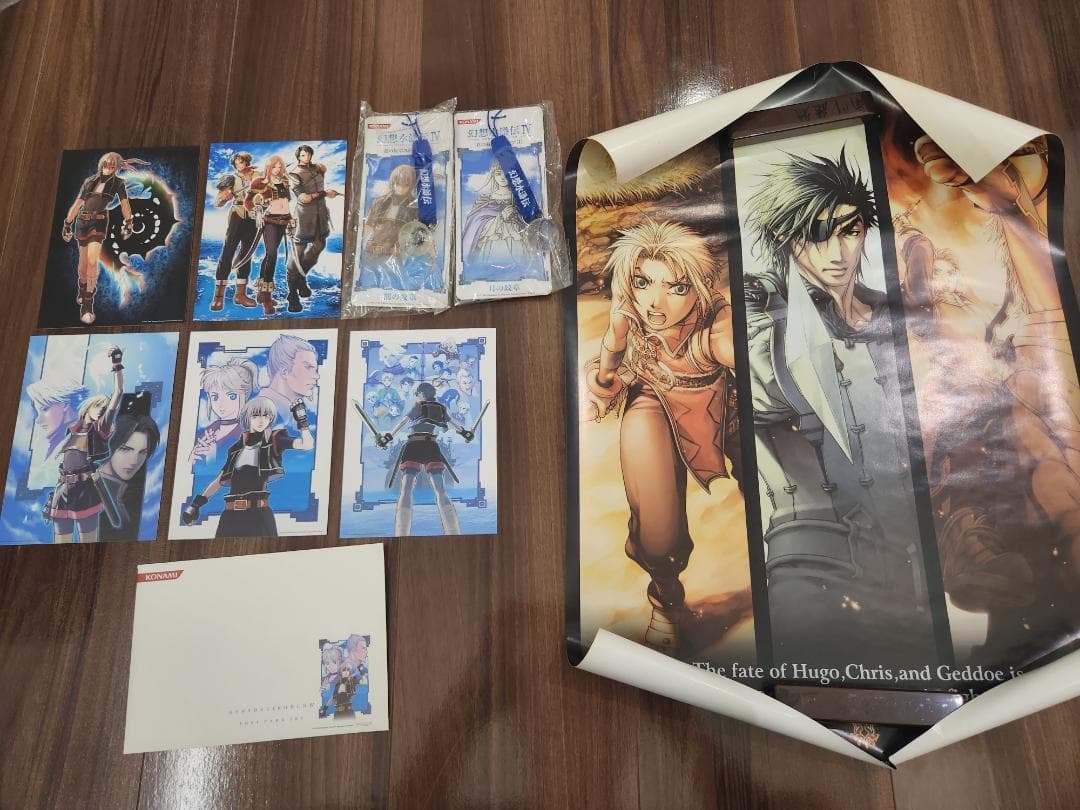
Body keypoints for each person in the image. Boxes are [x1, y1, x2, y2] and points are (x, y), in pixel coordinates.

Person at [741, 147, 936, 668]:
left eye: (850, 230)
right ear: (787, 239)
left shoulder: (895, 313)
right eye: (816, 234)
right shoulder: (764, 317)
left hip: (909, 552)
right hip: (814, 556)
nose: (837, 252)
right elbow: (761, 394)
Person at [584, 219, 740, 656]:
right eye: (643, 283)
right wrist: (603, 382)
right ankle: (666, 599)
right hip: (652, 396)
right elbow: (611, 358)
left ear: (697, 287)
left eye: (676, 287)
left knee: (774, 484)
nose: (655, 302)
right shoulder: (629, 311)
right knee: (656, 520)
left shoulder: (716, 317)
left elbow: (733, 349)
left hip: (723, 404)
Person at [180, 396, 314, 538]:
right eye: (256, 416)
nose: (261, 420)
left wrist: (303, 422)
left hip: (258, 515)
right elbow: (220, 480)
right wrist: (196, 505)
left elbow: (306, 444)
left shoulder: (274, 439)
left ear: (270, 418)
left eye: (266, 416)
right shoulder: (236, 448)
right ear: (248, 418)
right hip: (230, 516)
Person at [43, 347, 125, 543]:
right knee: (60, 543)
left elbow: (118, 393)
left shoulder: (100, 429)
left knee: (87, 543)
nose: (102, 410)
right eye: (99, 406)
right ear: (89, 407)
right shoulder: (72, 430)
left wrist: (117, 363)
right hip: (63, 490)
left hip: (85, 491)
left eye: (105, 409)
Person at [377, 382, 475, 536]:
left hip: (414, 445)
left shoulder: (419, 405)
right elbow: (452, 424)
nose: (417, 396)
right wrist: (465, 433)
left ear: (422, 393)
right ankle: (453, 532)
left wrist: (388, 437)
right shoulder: (441, 408)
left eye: (417, 393)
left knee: (406, 489)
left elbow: (403, 422)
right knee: (440, 490)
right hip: (431, 446)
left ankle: (401, 533)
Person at [60, 152, 142, 324]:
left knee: (92, 262)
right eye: (107, 163)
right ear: (102, 164)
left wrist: (129, 221)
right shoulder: (89, 181)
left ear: (117, 167)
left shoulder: (118, 183)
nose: (109, 166)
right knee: (83, 264)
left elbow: (125, 203)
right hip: (82, 222)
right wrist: (67, 223)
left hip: (99, 223)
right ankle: (82, 290)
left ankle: (87, 304)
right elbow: (78, 203)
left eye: (113, 164)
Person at [287, 145, 341, 312]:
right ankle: (292, 294)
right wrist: (325, 194)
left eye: (309, 154)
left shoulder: (317, 168)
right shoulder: (294, 173)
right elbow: (303, 198)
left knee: (319, 245)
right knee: (298, 253)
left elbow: (322, 169)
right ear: (298, 156)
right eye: (303, 155)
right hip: (304, 217)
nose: (307, 157)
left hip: (320, 215)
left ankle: (301, 278)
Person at [99, 411, 160, 541]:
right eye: (126, 449)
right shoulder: (89, 485)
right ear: (111, 445)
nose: (134, 461)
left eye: (143, 452)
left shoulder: (137, 494)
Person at [210, 151, 259, 310]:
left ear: (247, 162)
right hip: (237, 217)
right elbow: (217, 203)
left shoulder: (257, 176)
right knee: (227, 252)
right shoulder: (230, 179)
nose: (239, 165)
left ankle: (240, 295)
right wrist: (224, 197)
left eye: (242, 162)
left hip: (253, 217)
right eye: (237, 163)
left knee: (247, 254)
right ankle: (218, 297)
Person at [189, 359, 259, 466]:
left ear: (245, 396)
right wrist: (191, 461)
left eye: (231, 396)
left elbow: (247, 469)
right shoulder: (209, 431)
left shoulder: (249, 432)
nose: (221, 403)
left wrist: (213, 459)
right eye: (215, 397)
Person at [245, 155, 293, 315]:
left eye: (280, 167)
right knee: (272, 254)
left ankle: (261, 292)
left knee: (269, 255)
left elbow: (285, 203)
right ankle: (267, 298)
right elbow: (248, 201)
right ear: (269, 167)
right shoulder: (260, 182)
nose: (277, 170)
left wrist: (291, 220)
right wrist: (257, 212)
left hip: (284, 221)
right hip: (270, 221)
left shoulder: (285, 181)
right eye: (274, 167)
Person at [27, 377, 89, 489]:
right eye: (38, 411)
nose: (38, 420)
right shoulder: (42, 441)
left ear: (65, 405)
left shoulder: (83, 439)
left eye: (44, 409)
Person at [256, 334, 320, 422]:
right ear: (284, 372)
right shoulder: (261, 414)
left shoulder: (292, 411)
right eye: (308, 367)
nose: (317, 376)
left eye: (315, 370)